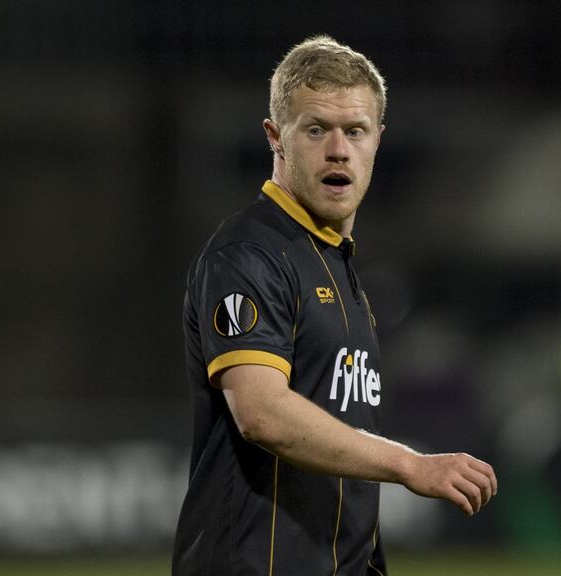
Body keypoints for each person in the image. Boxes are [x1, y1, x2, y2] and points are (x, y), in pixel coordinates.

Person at [172, 36, 498, 576]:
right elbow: (262, 414)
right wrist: (407, 464)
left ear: (378, 142)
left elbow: (338, 432)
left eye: (355, 130)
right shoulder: (250, 255)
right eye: (316, 129)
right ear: (276, 138)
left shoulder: (335, 266)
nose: (338, 149)